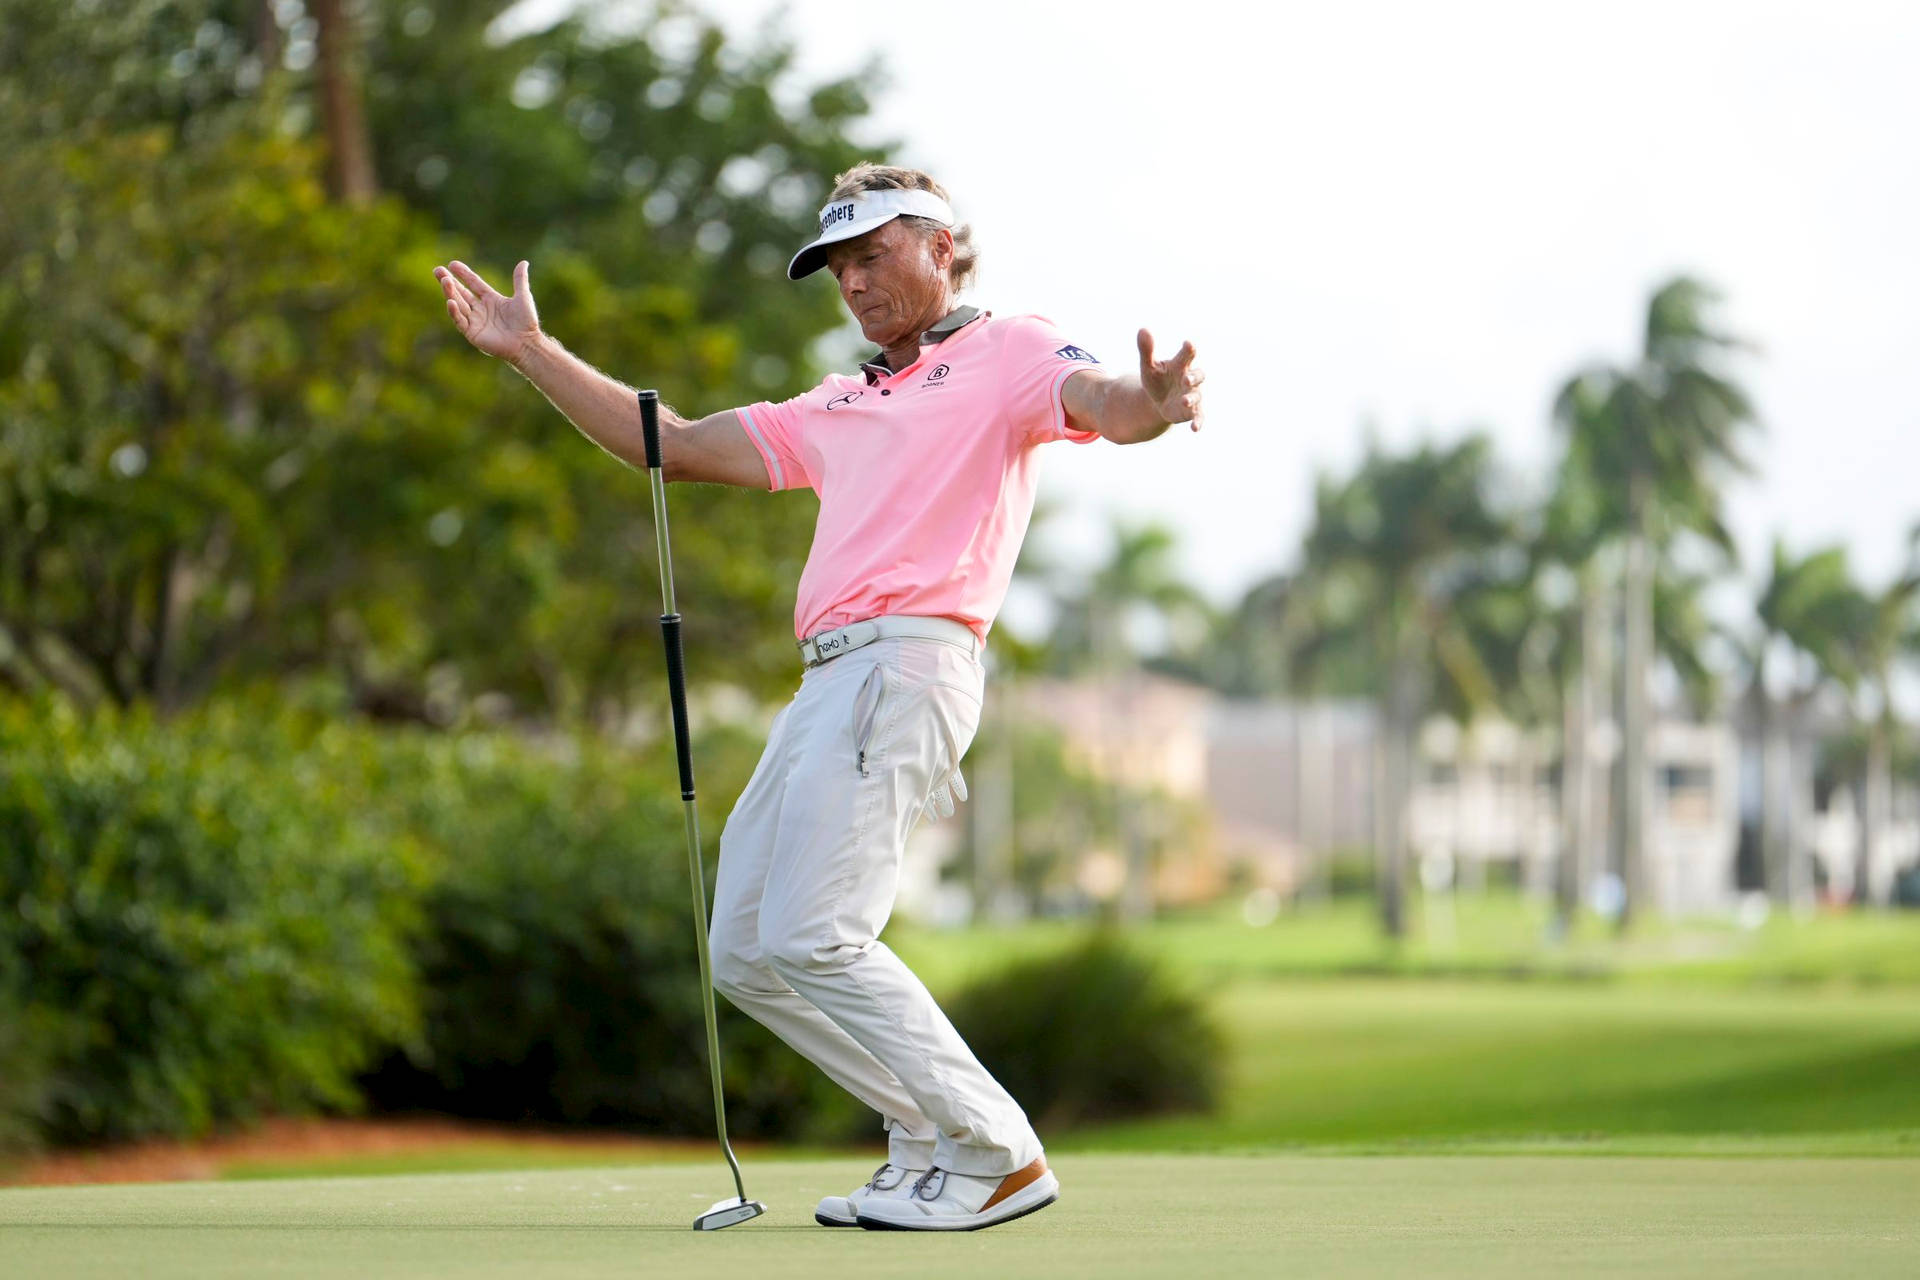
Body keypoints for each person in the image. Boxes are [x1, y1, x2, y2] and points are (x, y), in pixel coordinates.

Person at [432, 163, 1204, 1232]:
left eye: (874, 251)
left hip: (908, 662)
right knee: (748, 944)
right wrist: (530, 351)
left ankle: (998, 1151)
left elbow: (1102, 403)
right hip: (829, 679)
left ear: (941, 246)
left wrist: (1151, 406)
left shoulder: (1010, 349)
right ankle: (925, 1133)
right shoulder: (839, 401)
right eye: (839, 263)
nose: (854, 279)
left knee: (815, 931)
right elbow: (671, 443)